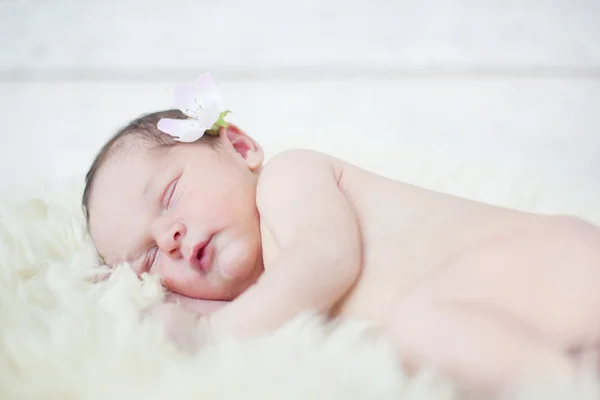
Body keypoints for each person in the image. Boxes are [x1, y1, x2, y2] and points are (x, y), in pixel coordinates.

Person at [82, 73, 600, 396]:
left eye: (169, 195)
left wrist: (209, 333)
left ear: (240, 149)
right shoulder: (277, 297)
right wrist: (155, 305)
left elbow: (324, 262)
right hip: (524, 325)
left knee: (419, 324)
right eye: (149, 257)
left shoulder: (288, 179)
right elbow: (280, 304)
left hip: (551, 262)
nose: (169, 238)